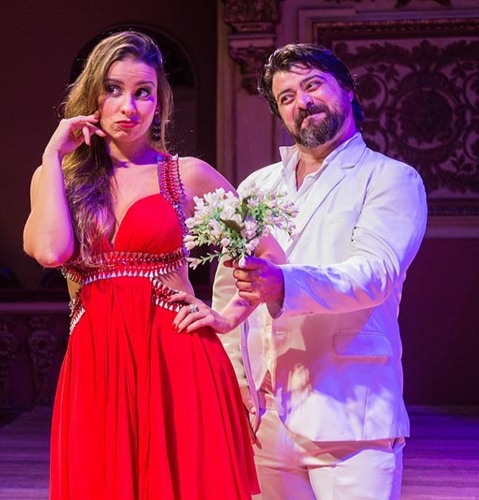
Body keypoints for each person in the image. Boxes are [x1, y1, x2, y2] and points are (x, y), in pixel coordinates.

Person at [23, 30, 283, 499]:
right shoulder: (56, 176)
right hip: (96, 365)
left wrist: (228, 316)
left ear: (159, 102)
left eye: (143, 92)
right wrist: (51, 154)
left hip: (178, 360)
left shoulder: (188, 175)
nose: (129, 106)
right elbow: (50, 252)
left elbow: (270, 255)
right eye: (113, 89)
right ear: (91, 97)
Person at [213, 43, 428, 499]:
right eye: (286, 97)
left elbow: (374, 273)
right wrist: (237, 386)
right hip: (265, 418)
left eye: (313, 85)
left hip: (350, 412)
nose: (302, 102)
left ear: (347, 89)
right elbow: (230, 292)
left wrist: (283, 283)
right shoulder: (256, 186)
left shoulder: (390, 178)